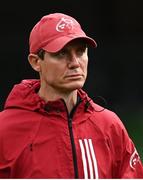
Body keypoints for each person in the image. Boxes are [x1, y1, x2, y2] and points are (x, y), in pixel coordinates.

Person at [0, 12, 143, 179]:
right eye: (61, 53)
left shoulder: (109, 125)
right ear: (36, 62)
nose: (75, 63)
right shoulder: (5, 130)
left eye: (81, 51)